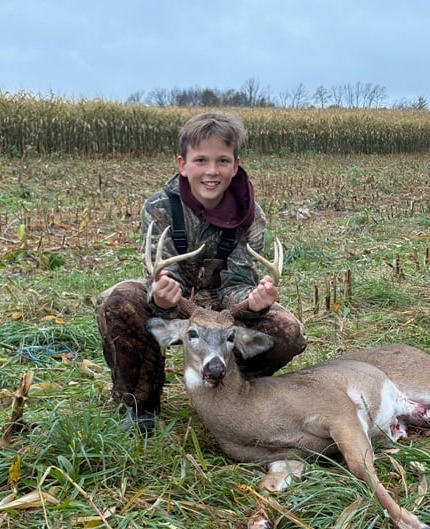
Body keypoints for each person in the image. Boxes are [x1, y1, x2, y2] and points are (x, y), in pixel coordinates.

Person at [96, 111, 307, 434]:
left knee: (287, 331)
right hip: (179, 303)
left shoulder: (250, 215)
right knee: (120, 302)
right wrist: (163, 298)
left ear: (235, 165)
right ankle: (142, 405)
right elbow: (163, 273)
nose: (211, 171)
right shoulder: (161, 207)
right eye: (201, 161)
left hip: (225, 310)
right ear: (182, 164)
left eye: (222, 161)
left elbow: (238, 282)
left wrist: (253, 301)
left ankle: (231, 390)